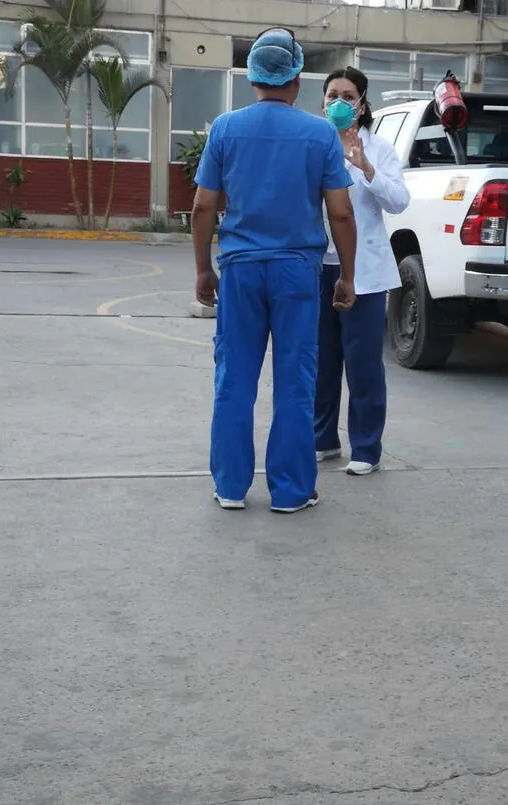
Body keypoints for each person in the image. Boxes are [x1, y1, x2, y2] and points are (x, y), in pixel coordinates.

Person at [191, 28, 357, 513]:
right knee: (294, 380)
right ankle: (290, 490)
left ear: (254, 78)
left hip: (240, 270)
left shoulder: (225, 128)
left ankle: (230, 487)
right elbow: (341, 213)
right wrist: (346, 275)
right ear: (297, 78)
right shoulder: (320, 133)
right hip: (296, 273)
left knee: (234, 379)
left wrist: (204, 269)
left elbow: (204, 207)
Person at [316, 67, 409, 475]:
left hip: (366, 273)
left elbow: (399, 202)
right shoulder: (311, 142)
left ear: (362, 103)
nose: (338, 101)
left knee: (363, 363)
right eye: (331, 94)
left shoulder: (380, 148)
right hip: (317, 266)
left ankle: (366, 448)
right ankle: (322, 440)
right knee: (321, 360)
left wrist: (366, 167)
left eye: (347, 95)